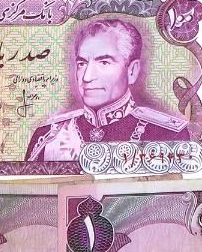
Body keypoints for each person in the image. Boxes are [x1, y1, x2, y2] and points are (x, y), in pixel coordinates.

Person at [24, 18, 190, 162]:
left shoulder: (168, 135)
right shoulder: (48, 136)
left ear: (132, 71)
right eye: (82, 64)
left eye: (104, 62)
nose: (87, 77)